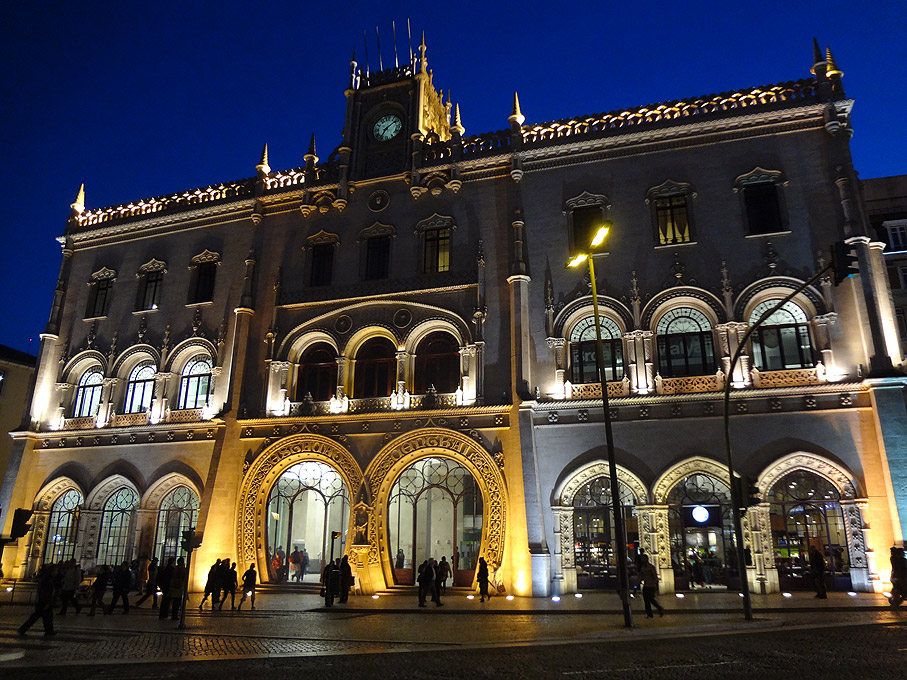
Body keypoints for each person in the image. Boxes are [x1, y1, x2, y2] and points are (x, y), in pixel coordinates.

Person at [18, 563, 58, 637]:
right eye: (55, 571)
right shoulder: (47, 579)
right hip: (44, 601)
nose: (56, 573)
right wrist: (47, 602)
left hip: (44, 601)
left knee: (46, 617)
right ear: (51, 571)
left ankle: (49, 631)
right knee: (38, 617)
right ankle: (23, 629)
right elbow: (45, 591)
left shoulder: (47, 578)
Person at [639, 554, 665, 618]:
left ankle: (659, 608)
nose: (642, 560)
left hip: (651, 585)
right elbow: (642, 576)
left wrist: (655, 585)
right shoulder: (642, 567)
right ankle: (649, 614)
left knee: (651, 599)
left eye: (643, 558)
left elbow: (655, 576)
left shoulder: (651, 567)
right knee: (646, 600)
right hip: (646, 585)